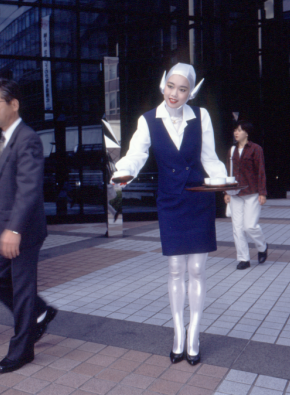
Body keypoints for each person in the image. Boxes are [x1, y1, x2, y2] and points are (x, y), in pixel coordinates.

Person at [111, 63, 227, 366]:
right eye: (170, 86)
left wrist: (225, 180)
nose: (174, 93)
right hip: (171, 202)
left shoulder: (201, 117)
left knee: (198, 271)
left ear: (191, 92)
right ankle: (178, 333)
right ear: (163, 85)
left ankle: (194, 335)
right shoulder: (148, 120)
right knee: (176, 269)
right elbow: (137, 153)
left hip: (198, 200)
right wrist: (123, 172)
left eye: (182, 88)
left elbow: (209, 158)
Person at [0, 78, 57, 374]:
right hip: (2, 230)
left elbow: (29, 188)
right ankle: (40, 312)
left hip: (21, 230)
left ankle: (22, 350)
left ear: (14, 105)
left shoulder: (27, 138)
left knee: (23, 289)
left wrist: (13, 229)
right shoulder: (4, 140)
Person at [223, 121, 267, 270]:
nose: (236, 133)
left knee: (250, 226)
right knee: (237, 228)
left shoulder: (256, 149)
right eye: (235, 130)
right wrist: (226, 192)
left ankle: (262, 247)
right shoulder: (232, 150)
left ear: (247, 133)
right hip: (235, 193)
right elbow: (229, 172)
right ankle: (243, 259)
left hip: (252, 192)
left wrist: (262, 192)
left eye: (240, 130)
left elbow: (261, 171)